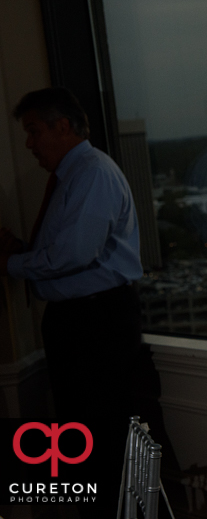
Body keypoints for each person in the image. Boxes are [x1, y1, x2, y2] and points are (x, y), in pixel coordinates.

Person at [1, 87, 144, 517]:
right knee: (83, 429)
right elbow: (73, 252)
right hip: (83, 319)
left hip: (95, 321)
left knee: (98, 430)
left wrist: (11, 263)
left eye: (34, 130)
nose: (28, 144)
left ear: (63, 127)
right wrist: (24, 251)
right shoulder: (74, 176)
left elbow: (75, 254)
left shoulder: (91, 174)